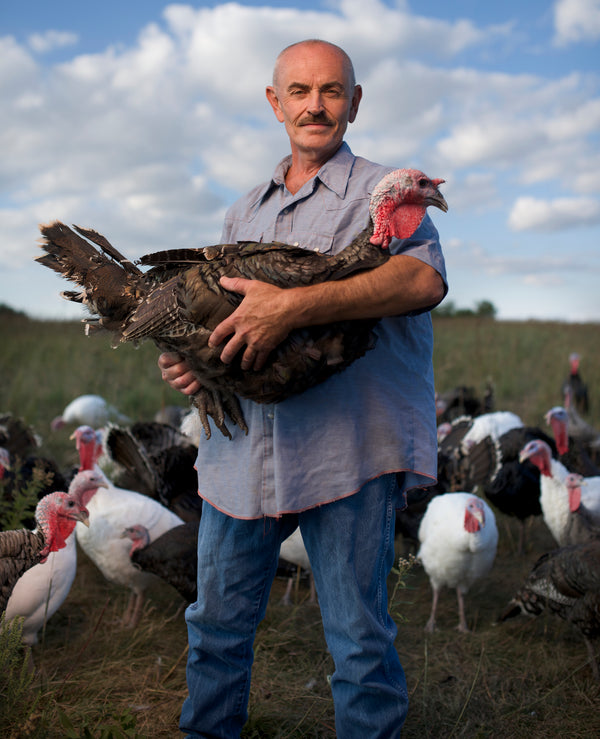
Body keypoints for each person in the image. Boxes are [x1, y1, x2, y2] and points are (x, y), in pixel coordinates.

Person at [159, 39, 447, 738]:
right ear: (274, 102)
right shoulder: (242, 212)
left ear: (354, 102)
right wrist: (198, 363)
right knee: (216, 627)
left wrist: (291, 307)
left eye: (330, 91)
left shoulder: (384, 193)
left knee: (357, 641)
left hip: (343, 448)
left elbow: (421, 281)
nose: (314, 105)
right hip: (240, 451)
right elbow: (217, 318)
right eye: (299, 91)